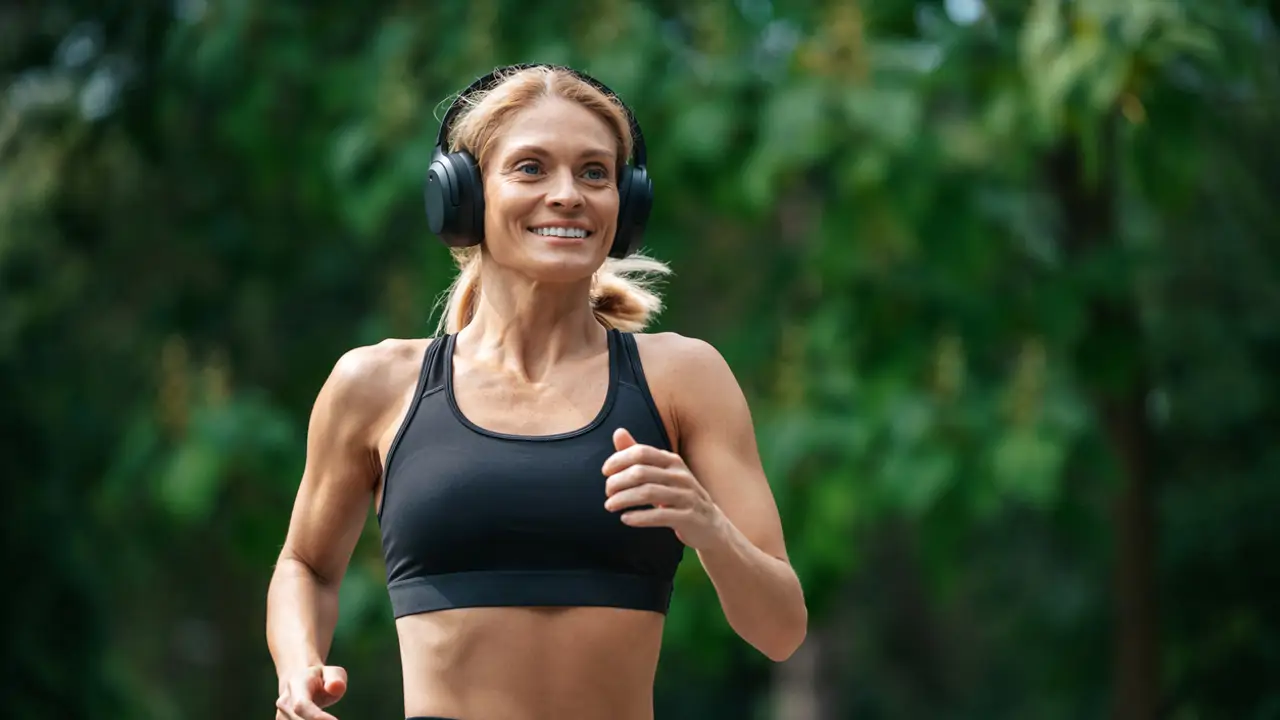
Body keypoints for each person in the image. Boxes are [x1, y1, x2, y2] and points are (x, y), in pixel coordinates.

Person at [266, 63, 807, 720]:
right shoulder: (375, 384)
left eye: (594, 173)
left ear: (626, 205)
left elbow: (781, 629)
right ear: (464, 197)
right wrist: (298, 670)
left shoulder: (682, 377)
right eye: (530, 168)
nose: (568, 194)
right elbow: (307, 565)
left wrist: (708, 526)